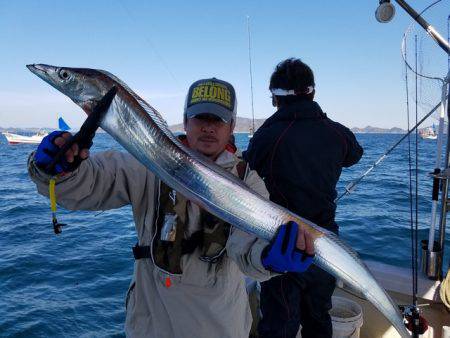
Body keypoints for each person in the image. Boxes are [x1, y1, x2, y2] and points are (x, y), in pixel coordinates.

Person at [28, 77, 315, 338]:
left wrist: (268, 258)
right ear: (185, 121)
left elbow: (248, 246)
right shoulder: (152, 161)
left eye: (218, 119)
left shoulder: (246, 181)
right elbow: (94, 181)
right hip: (151, 325)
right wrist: (59, 170)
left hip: (219, 325)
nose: (208, 127)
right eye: (199, 117)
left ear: (231, 127)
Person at [243, 58, 364, 338]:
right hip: (325, 246)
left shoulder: (266, 136)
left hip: (282, 247)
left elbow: (245, 169)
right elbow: (354, 154)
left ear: (275, 98)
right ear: (312, 93)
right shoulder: (337, 133)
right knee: (319, 316)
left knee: (279, 323)